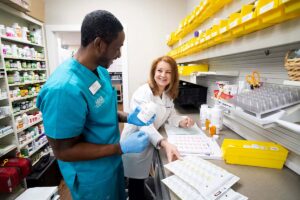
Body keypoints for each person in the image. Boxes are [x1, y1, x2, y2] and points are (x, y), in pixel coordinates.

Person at [37, 10, 154, 200]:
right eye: (117, 47)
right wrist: (120, 148)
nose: (119, 54)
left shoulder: (101, 71)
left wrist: (128, 116)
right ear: (99, 44)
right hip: (91, 178)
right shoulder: (63, 89)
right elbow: (63, 151)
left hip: (112, 165)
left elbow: (100, 110)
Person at [121, 55, 195, 200]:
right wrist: (164, 143)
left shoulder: (167, 94)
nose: (163, 75)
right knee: (135, 184)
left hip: (149, 142)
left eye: (168, 72)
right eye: (160, 70)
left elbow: (170, 115)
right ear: (154, 72)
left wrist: (181, 121)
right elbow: (144, 125)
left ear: (173, 75)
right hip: (134, 144)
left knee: (141, 178)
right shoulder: (143, 93)